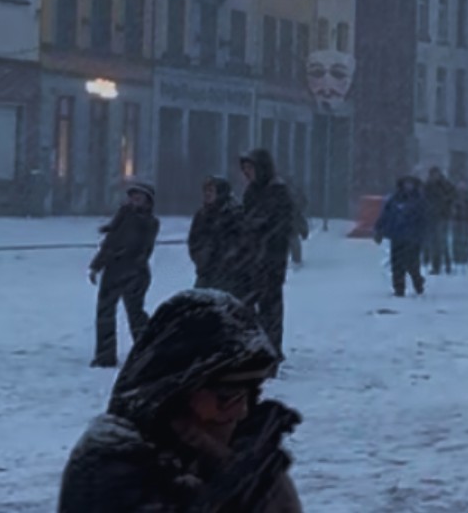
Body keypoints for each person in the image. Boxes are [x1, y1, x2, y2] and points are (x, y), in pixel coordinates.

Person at [58, 289, 303, 513]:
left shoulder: (242, 450)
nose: (241, 411)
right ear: (177, 395)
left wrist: (250, 475)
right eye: (225, 398)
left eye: (251, 394)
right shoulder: (113, 467)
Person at [90, 181, 159, 369]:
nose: (134, 200)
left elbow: (140, 247)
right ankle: (105, 355)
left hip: (134, 272)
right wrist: (97, 265)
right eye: (132, 196)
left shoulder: (149, 222)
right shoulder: (122, 216)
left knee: (135, 313)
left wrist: (128, 262)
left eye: (139, 197)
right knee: (105, 313)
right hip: (114, 270)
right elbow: (110, 243)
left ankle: (148, 351)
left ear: (148, 201)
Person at [236, 149, 297, 355]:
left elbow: (278, 225)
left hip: (271, 259)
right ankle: (256, 346)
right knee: (248, 304)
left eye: (250, 168)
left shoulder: (277, 192)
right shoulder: (252, 191)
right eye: (245, 169)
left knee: (270, 305)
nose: (247, 173)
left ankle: (271, 349)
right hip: (252, 258)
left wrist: (260, 235)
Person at [373, 176, 430, 298]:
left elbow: (424, 219)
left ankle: (418, 282)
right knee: (397, 264)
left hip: (413, 238)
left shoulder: (419, 201)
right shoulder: (394, 200)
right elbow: (385, 216)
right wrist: (379, 230)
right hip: (397, 237)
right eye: (406, 184)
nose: (408, 187)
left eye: (410, 184)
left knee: (412, 264)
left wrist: (423, 234)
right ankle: (399, 288)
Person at [189, 176, 244, 294]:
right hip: (205, 273)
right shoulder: (201, 215)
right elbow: (193, 241)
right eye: (205, 191)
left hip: (230, 275)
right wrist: (201, 257)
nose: (207, 194)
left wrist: (225, 259)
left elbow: (239, 243)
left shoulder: (234, 214)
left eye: (211, 191)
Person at [423, 167, 457, 275]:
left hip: (442, 216)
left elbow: (452, 196)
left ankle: (446, 264)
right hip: (432, 216)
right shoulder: (428, 186)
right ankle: (437, 265)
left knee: (441, 242)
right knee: (435, 243)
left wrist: (445, 202)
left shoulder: (445, 185)